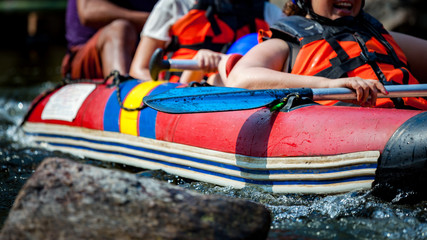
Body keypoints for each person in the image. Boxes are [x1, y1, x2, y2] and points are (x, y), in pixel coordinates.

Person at [222, 0, 427, 109]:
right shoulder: (287, 43)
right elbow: (239, 79)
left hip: (412, 118)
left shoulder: (382, 37)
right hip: (350, 127)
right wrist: (327, 84)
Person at [129, 0, 285, 84]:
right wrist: (168, 91)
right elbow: (138, 69)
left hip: (236, 84)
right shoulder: (174, 4)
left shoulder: (269, 12)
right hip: (182, 85)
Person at [62, 0, 157, 80]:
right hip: (87, 59)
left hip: (146, 55)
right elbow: (88, 11)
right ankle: (119, 88)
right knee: (119, 30)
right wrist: (155, 20)